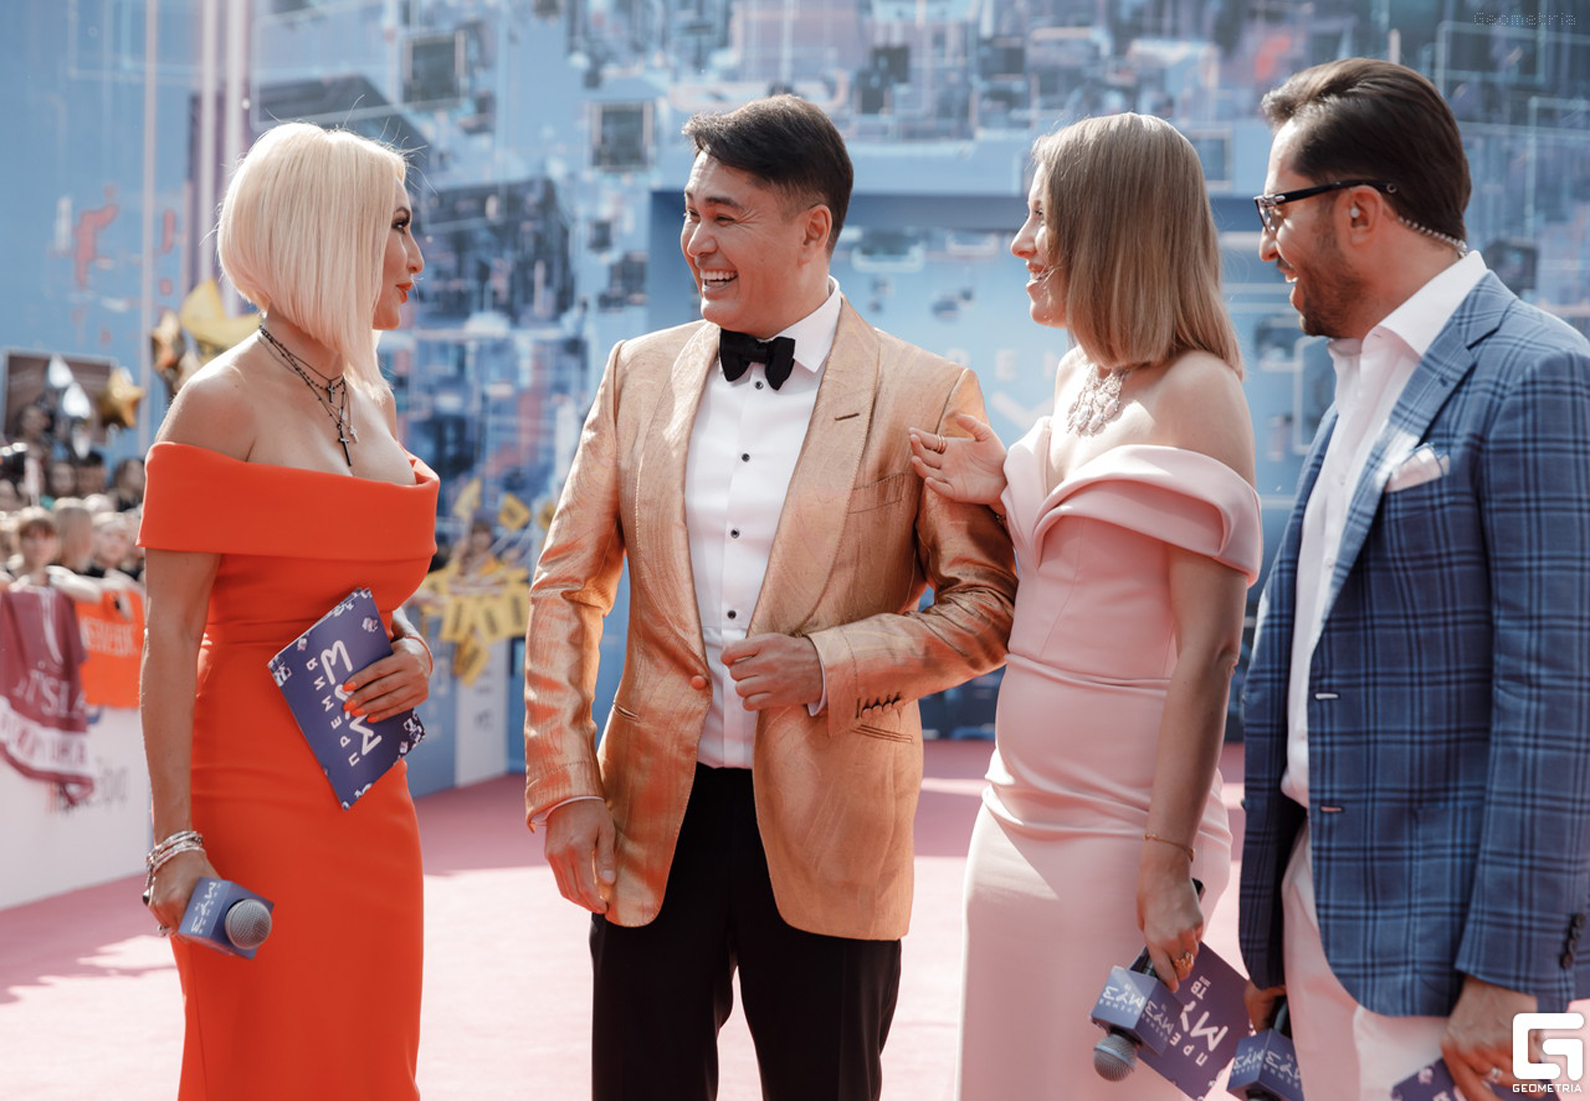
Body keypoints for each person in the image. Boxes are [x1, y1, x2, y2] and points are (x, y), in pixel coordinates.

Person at [523, 94, 1017, 1101]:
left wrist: (829, 664)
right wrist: (565, 785)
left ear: (811, 230)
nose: (697, 240)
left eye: (726, 216)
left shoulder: (924, 391)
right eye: (691, 212)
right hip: (653, 818)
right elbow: (566, 586)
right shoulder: (636, 374)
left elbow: (986, 608)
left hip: (836, 825)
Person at [1236, 58, 1590, 1099]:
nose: (1264, 243)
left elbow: (1561, 699)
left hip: (1472, 966)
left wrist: (1512, 972)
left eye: (1275, 210)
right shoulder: (1360, 378)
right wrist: (1272, 930)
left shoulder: (1541, 372)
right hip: (1321, 917)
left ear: (1360, 214)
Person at [907, 113, 1261, 1098]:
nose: (1021, 244)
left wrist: (1165, 864)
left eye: (1042, 218)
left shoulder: (1202, 394)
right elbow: (1075, 562)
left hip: (1124, 831)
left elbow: (1210, 651)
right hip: (1013, 812)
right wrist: (1000, 484)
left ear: (1111, 230)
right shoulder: (1079, 376)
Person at [136, 121, 435, 1100]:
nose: (416, 256)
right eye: (397, 225)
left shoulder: (373, 404)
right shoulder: (217, 404)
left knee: (372, 1057)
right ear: (330, 234)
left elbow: (364, 589)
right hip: (253, 795)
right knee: (265, 1059)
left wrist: (412, 646)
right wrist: (175, 841)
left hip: (370, 795)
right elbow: (169, 635)